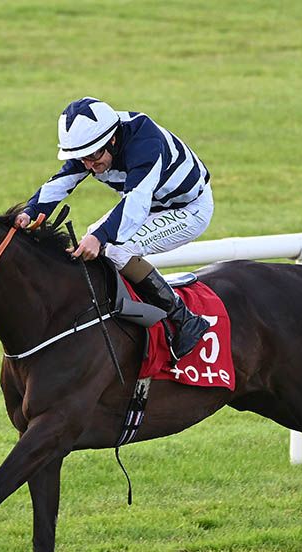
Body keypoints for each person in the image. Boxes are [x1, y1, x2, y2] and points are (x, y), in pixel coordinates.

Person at [14, 97, 213, 360]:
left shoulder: (145, 143)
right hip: (148, 203)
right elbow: (62, 182)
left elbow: (136, 205)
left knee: (115, 249)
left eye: (93, 157)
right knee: (93, 239)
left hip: (187, 209)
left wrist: (100, 237)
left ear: (113, 141)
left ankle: (184, 318)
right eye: (81, 158)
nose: (88, 165)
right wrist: (29, 212)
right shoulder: (91, 146)